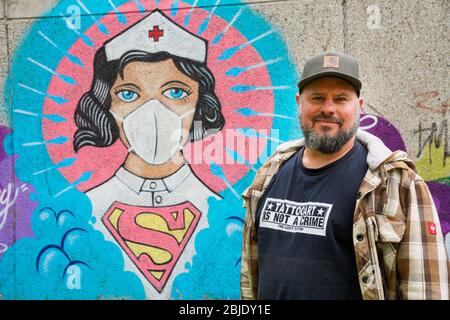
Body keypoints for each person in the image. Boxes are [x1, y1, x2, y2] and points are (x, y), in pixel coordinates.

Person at [240, 51, 449, 300]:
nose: (328, 109)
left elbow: (426, 289)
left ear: (358, 106)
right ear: (299, 102)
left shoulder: (396, 182)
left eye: (341, 99)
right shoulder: (271, 172)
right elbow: (251, 274)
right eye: (317, 98)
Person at [73, 10, 224, 299]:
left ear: (201, 104)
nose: (153, 112)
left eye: (176, 92)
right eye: (129, 94)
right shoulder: (87, 212)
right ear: (106, 105)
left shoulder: (220, 213)